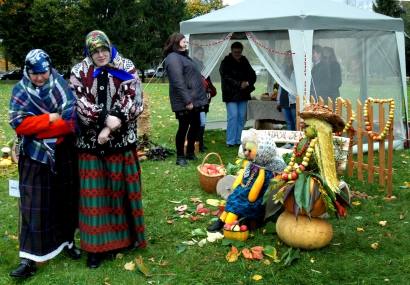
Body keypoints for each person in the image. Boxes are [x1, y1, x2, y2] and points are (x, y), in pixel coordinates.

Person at [70, 30, 145, 268]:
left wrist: (113, 126)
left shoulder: (126, 66)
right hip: (90, 145)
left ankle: (122, 241)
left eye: (104, 49)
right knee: (95, 198)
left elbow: (134, 101)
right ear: (88, 52)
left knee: (119, 192)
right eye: (95, 51)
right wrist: (103, 119)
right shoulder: (79, 72)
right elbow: (80, 103)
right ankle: (95, 247)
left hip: (121, 142)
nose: (101, 55)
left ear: (109, 47)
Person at [9, 49, 80, 278]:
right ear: (27, 71)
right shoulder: (20, 90)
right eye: (34, 73)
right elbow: (19, 124)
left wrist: (36, 126)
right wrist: (49, 118)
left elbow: (69, 122)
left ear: (49, 69)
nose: (39, 77)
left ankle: (67, 242)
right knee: (33, 204)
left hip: (63, 151)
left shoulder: (61, 85)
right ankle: (29, 258)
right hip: (33, 154)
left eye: (43, 72)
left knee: (65, 198)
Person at [207, 130, 286, 232]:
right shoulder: (252, 165)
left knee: (239, 204)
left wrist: (250, 194)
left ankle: (227, 225)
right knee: (233, 198)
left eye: (250, 150)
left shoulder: (267, 170)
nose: (246, 153)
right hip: (244, 190)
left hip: (256, 199)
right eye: (245, 149)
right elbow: (244, 177)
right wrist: (237, 186)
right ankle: (221, 220)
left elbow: (257, 191)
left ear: (262, 152)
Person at [164, 33, 209, 166]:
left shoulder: (184, 56)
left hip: (195, 99)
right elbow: (178, 81)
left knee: (195, 125)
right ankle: (180, 157)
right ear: (176, 42)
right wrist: (187, 101)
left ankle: (190, 152)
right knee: (183, 127)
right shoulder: (172, 58)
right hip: (185, 101)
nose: (186, 43)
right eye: (184, 41)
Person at [220, 42, 256, 147]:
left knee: (241, 118)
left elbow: (252, 74)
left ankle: (238, 140)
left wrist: (247, 83)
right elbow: (225, 77)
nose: (237, 54)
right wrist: (239, 84)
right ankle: (230, 141)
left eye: (239, 52)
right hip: (230, 95)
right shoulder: (225, 62)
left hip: (243, 94)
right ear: (231, 50)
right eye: (235, 52)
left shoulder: (244, 60)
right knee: (233, 116)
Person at [193, 47, 216, 152]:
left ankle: (199, 142)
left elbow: (208, 80)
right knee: (201, 122)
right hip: (198, 98)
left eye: (202, 53)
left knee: (202, 121)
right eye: (199, 53)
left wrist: (211, 89)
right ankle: (198, 144)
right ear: (194, 54)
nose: (200, 55)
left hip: (205, 97)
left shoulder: (203, 65)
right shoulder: (193, 65)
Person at [277, 53, 297, 131]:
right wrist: (278, 100)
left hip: (294, 100)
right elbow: (280, 86)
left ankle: (297, 142)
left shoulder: (297, 70)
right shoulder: (283, 69)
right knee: (288, 122)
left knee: (296, 122)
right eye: (287, 58)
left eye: (290, 58)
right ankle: (290, 142)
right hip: (284, 98)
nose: (288, 59)